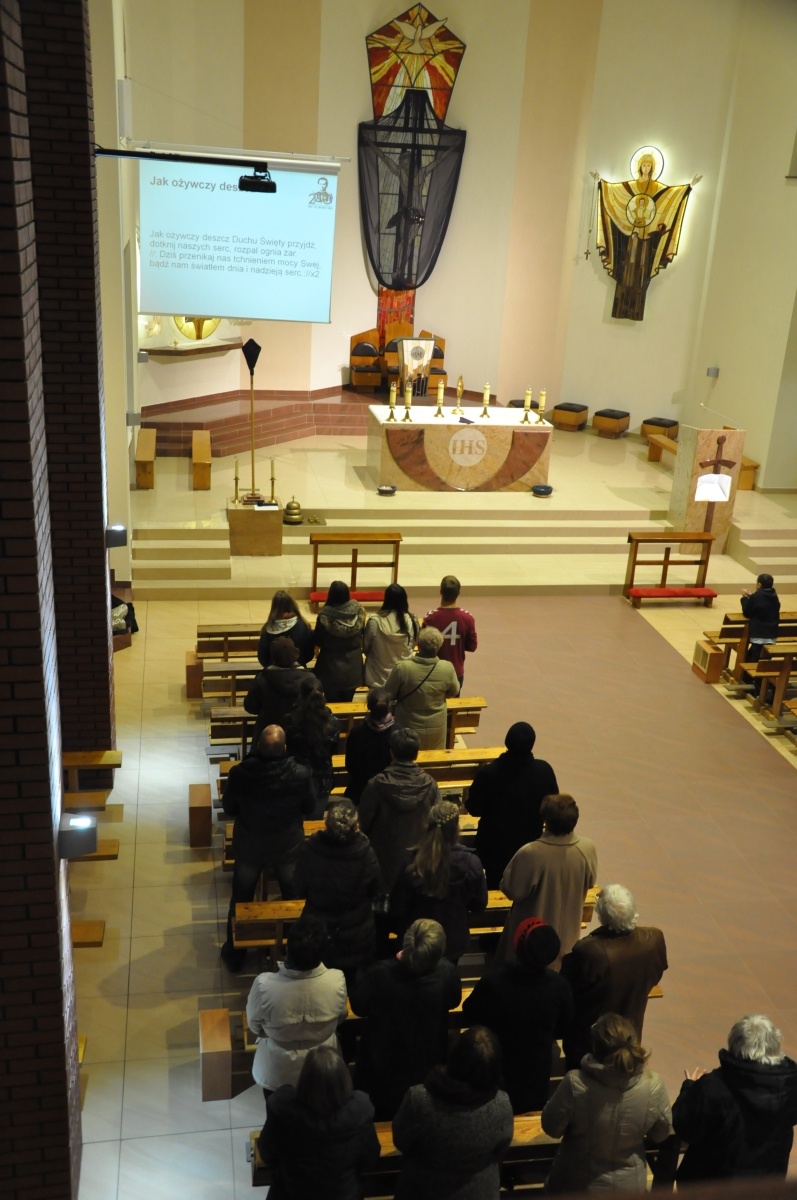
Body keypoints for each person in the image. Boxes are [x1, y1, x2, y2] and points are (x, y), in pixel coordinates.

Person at [220, 725, 317, 972]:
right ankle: (292, 949)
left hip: (250, 843)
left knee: (241, 897)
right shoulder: (300, 773)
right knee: (292, 896)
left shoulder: (240, 773)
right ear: (285, 748)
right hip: (287, 844)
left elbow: (229, 807)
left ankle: (235, 953)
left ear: (258, 747)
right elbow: (310, 806)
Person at [542, 1012, 674, 1193]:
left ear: (595, 1046)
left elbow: (551, 1127)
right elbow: (662, 1133)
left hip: (577, 1184)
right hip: (629, 1188)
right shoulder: (653, 1085)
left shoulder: (575, 1083)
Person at [350, 918, 462, 1120]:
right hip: (426, 1068)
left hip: (381, 1071)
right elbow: (454, 1001)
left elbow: (358, 1007)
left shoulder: (379, 974)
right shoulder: (447, 973)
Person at [462, 917, 573, 1114]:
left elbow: (470, 1013)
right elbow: (564, 1027)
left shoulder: (493, 981)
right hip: (536, 1069)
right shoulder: (559, 986)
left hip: (496, 1063)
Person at [672, 1014, 797, 1185]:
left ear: (734, 1045)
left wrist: (690, 1087)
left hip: (711, 1188)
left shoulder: (713, 1087)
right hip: (766, 1187)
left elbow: (684, 1127)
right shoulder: (790, 1087)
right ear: (775, 1046)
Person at [392, 1025, 514, 1200]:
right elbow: (501, 1147)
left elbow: (400, 1140)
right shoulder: (501, 1103)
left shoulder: (418, 1099)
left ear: (455, 1056)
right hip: (479, 1191)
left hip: (422, 1189)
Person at [562, 883, 668, 1070]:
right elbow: (656, 975)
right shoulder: (653, 940)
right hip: (630, 1031)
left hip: (592, 1039)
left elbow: (568, 989)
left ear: (602, 916)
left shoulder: (589, 951)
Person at [258, 1045, 380, 1200]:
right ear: (344, 1079)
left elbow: (267, 1155)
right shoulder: (360, 1113)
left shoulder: (282, 1110)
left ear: (304, 1078)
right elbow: (369, 1160)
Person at [245, 915, 348, 1099]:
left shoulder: (264, 985)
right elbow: (340, 1018)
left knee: (277, 1112)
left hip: (277, 1070)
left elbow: (254, 1026)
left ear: (288, 948)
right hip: (321, 1067)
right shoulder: (337, 980)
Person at [595, 150, 699, 321]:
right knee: (627, 268)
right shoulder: (632, 186)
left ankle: (634, 307)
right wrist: (601, 182)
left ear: (652, 168)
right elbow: (616, 192)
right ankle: (622, 305)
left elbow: (670, 195)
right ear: (639, 167)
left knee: (641, 271)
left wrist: (688, 187)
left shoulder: (656, 188)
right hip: (632, 237)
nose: (646, 168)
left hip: (646, 241)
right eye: (643, 165)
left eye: (649, 165)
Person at [497, 793, 597, 969]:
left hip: (531, 936)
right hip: (568, 934)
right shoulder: (587, 848)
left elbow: (513, 890)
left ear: (545, 820)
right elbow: (590, 882)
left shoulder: (531, 853)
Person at [294, 799, 382, 982]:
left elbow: (299, 888)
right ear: (355, 826)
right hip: (355, 932)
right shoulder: (367, 855)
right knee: (348, 982)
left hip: (318, 931)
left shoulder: (310, 850)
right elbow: (375, 889)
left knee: (317, 983)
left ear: (326, 823)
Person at [390, 799, 487, 963]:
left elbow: (397, 906)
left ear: (428, 826)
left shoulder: (412, 863)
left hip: (418, 940)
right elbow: (479, 904)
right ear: (457, 828)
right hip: (452, 941)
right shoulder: (471, 863)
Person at [465, 721, 559, 888]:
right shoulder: (544, 771)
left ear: (507, 742)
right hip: (529, 846)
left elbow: (473, 808)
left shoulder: (489, 773)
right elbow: (553, 807)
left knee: (494, 884)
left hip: (493, 848)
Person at [359, 726, 439, 893]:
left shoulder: (375, 785)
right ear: (416, 754)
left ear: (392, 753)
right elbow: (437, 823)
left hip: (383, 858)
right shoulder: (430, 785)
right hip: (417, 860)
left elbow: (364, 823)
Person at [384, 626, 459, 750]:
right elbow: (454, 691)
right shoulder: (447, 668)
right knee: (434, 757)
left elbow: (388, 693)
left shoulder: (403, 668)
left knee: (406, 755)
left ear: (418, 645)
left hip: (408, 725)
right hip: (436, 726)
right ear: (439, 646)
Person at [283, 674, 341, 816]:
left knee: (295, 819)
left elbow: (286, 749)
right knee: (315, 818)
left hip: (295, 777)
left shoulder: (290, 721)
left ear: (300, 696)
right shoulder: (333, 723)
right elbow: (334, 749)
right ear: (323, 695)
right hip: (322, 780)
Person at [243, 635, 308, 747]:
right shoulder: (309, 679)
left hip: (267, 737)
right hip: (299, 739)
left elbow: (250, 707)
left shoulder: (262, 679)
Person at [313, 580, 366, 702]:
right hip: (353, 667)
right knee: (347, 701)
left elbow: (318, 640)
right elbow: (363, 634)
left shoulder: (324, 616)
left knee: (331, 702)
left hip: (330, 667)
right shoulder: (359, 612)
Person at [343, 686, 397, 804]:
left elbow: (350, 765)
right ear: (389, 707)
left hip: (360, 790)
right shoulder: (397, 732)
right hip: (389, 792)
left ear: (368, 706)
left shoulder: (356, 732)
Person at [422, 574, 477, 687]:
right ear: (459, 593)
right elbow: (472, 646)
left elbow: (421, 644)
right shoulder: (467, 618)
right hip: (456, 672)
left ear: (440, 591)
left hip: (434, 671)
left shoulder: (430, 617)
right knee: (454, 698)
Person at [363, 583, 420, 687]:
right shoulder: (412, 621)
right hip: (403, 678)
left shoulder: (375, 621)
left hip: (377, 679)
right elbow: (413, 645)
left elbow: (366, 647)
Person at [258, 589, 315, 667]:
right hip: (299, 671)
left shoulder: (267, 630)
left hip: (273, 673)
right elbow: (309, 654)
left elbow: (263, 659)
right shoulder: (303, 626)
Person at [741, 572, 780, 665]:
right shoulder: (774, 596)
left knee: (753, 660)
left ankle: (750, 674)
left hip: (758, 634)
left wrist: (745, 599)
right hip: (771, 634)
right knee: (765, 659)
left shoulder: (756, 597)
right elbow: (763, 603)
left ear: (759, 584)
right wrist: (752, 597)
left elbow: (747, 613)